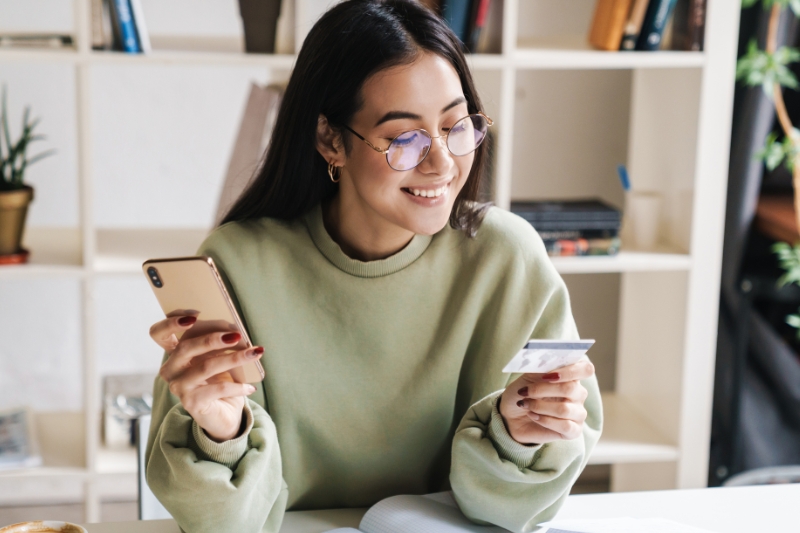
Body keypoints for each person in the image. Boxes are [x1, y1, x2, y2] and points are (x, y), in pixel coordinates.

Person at [144, 1, 602, 532]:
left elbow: (516, 513)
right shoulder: (239, 262)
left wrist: (520, 434)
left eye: (457, 126)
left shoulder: (506, 257)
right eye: (404, 139)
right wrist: (220, 432)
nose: (442, 164)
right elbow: (226, 524)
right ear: (330, 140)